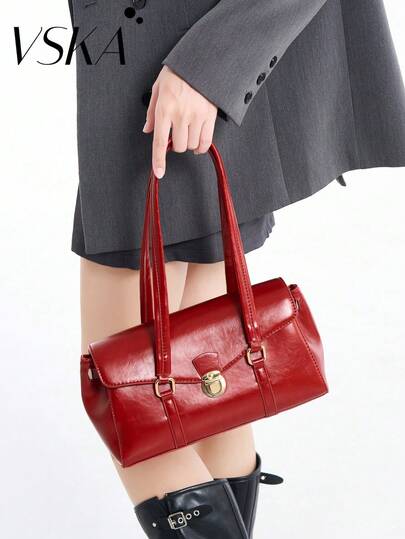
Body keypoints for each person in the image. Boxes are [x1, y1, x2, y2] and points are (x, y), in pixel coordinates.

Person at [69, 1, 405, 536]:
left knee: (129, 396)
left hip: (181, 67)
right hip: (154, 62)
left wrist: (208, 68)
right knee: (202, 392)